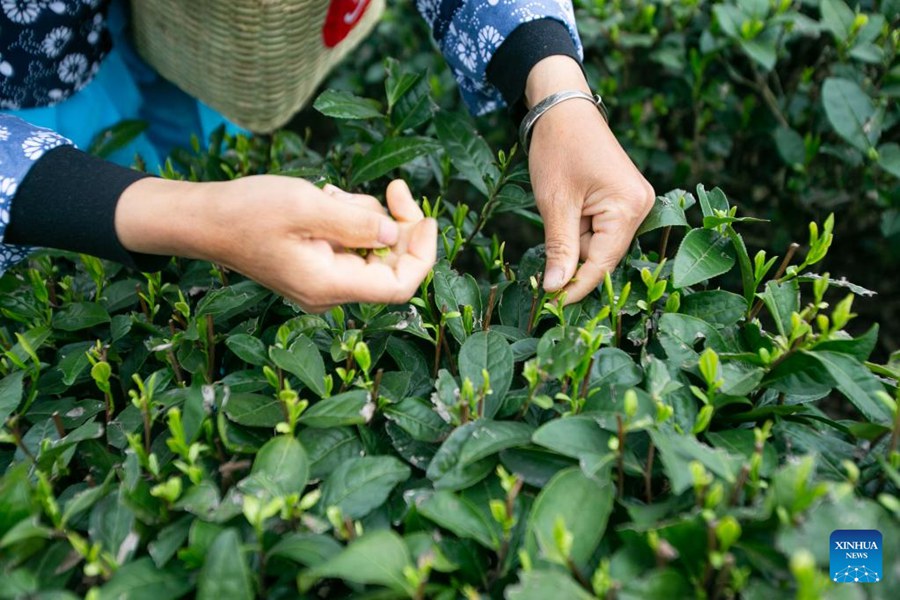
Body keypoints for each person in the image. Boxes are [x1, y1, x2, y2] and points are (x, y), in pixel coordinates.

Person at [0, 0, 653, 313]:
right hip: (27, 87)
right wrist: (186, 216)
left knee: (198, 137)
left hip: (187, 34)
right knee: (80, 274)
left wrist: (550, 82)